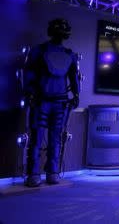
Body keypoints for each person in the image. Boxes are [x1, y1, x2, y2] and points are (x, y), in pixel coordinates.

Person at [23, 18, 80, 187]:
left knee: (53, 138)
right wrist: (30, 94)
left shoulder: (69, 55)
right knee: (38, 138)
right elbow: (28, 74)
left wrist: (76, 94)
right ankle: (35, 173)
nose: (60, 34)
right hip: (42, 100)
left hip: (58, 102)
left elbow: (73, 77)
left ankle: (51, 172)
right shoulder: (39, 51)